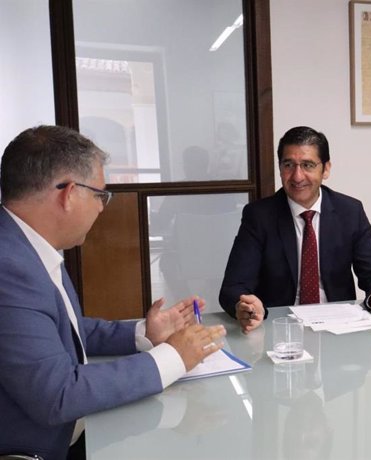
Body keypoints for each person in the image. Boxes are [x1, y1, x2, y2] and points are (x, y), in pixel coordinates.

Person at [0, 125, 226, 459]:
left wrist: (143, 334)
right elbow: (58, 394)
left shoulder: (27, 246)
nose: (102, 208)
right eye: (99, 195)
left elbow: (68, 329)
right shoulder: (9, 268)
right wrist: (173, 356)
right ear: (69, 193)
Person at [219, 126, 371, 333]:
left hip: (338, 330)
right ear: (280, 168)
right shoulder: (259, 216)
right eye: (288, 165)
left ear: (326, 169)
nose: (297, 176)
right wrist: (247, 307)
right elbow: (233, 288)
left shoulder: (349, 212)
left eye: (308, 165)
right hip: (281, 330)